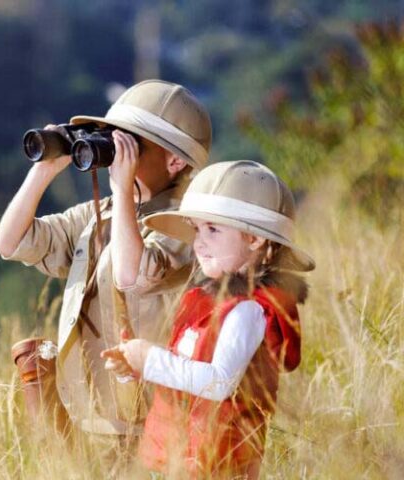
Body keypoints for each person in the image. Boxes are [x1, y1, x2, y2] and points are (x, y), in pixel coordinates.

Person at [0, 80, 212, 438]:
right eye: (112, 138)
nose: (116, 152)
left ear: (174, 160)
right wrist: (44, 170)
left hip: (149, 420)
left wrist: (122, 189)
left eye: (133, 145)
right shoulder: (103, 214)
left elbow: (132, 276)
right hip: (90, 412)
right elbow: (10, 242)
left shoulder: (187, 224)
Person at [101, 160, 315, 478]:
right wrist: (136, 366)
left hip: (219, 464)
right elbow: (184, 370)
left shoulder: (248, 310)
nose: (199, 242)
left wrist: (151, 360)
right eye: (196, 229)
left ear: (255, 239)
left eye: (213, 229)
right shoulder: (206, 303)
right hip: (179, 459)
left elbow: (219, 382)